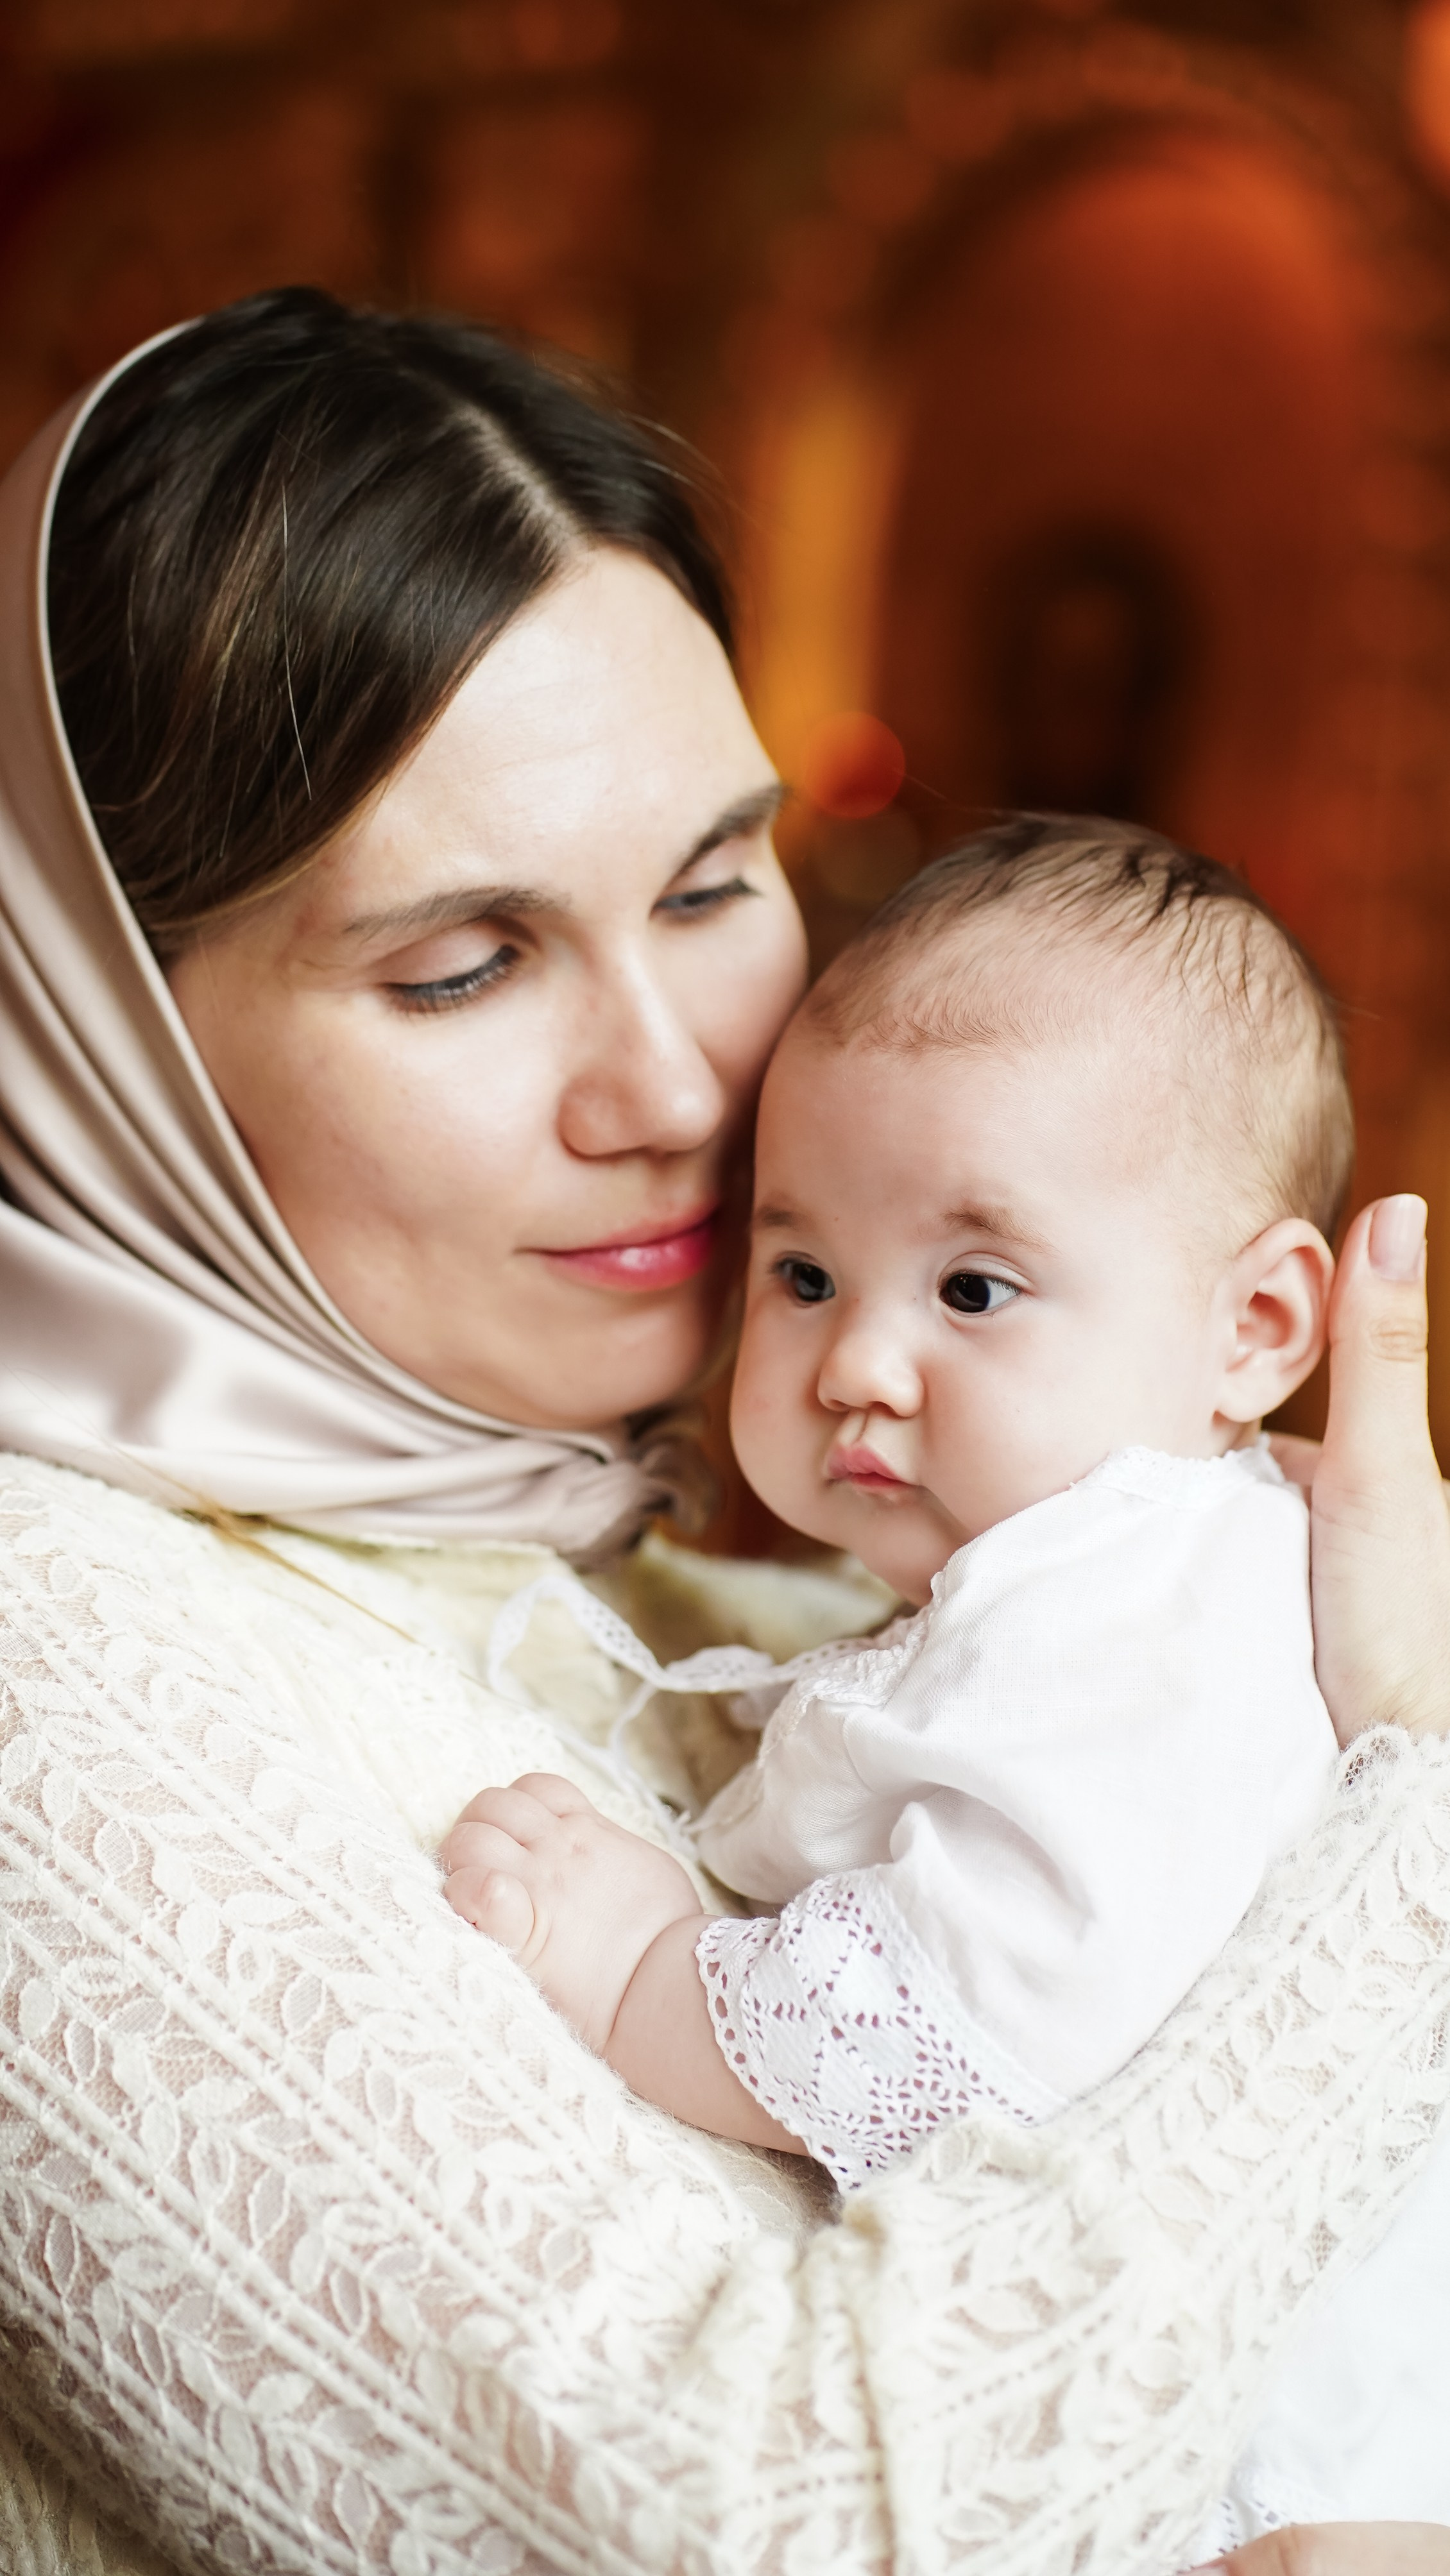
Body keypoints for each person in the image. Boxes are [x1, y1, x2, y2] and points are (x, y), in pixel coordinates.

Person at [0, 285, 1446, 2576]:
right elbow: (779, 2528)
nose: (679, 1087)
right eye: (463, 964)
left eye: (707, 887)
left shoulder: (745, 1548)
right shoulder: (45, 1659)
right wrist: (1421, 1815)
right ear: (94, 1034)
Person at [439, 820, 1351, 2190]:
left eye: (972, 1289)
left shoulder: (1135, 1631)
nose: (854, 1362)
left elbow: (951, 2038)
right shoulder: (1098, 1576)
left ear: (1254, 1326)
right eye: (803, 1275)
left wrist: (638, 1968)